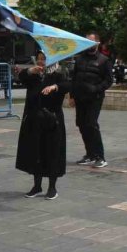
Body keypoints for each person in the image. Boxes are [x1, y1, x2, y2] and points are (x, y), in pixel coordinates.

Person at [16, 52, 70, 200]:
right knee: (36, 151)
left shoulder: (59, 73)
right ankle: (37, 185)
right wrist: (29, 71)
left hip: (52, 119)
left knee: (52, 151)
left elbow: (68, 85)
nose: (41, 62)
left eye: (44, 59)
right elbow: (21, 78)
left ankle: (52, 187)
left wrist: (55, 87)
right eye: (39, 59)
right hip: (34, 118)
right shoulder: (35, 75)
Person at [70, 32, 113, 168]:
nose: (89, 45)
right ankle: (90, 154)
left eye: (91, 42)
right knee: (82, 124)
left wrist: (97, 88)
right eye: (86, 42)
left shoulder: (103, 60)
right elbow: (74, 78)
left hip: (95, 98)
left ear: (97, 43)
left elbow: (109, 80)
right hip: (80, 97)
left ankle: (100, 156)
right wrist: (72, 95)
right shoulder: (79, 59)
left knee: (91, 124)